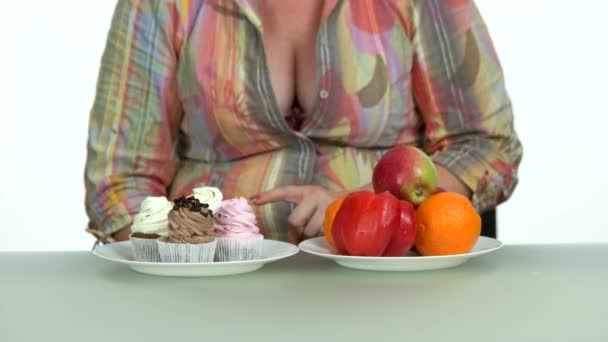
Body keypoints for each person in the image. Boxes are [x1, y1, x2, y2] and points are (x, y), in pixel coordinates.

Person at [85, 0, 522, 244]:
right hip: (210, 294)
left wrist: (358, 211)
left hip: (387, 287)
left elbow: (485, 144)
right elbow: (121, 181)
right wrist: (190, 255)